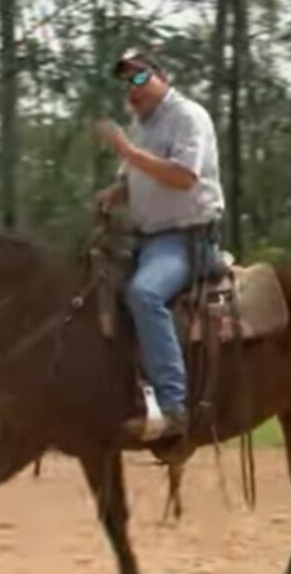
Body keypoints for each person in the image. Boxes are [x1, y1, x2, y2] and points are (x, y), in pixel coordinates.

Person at [94, 50, 225, 444]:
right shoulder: (142, 126)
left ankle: (173, 408)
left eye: (139, 78)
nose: (131, 90)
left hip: (188, 240)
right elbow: (137, 181)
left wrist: (129, 153)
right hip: (148, 240)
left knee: (144, 293)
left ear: (162, 76)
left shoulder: (188, 117)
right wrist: (113, 195)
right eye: (125, 82)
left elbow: (185, 177)